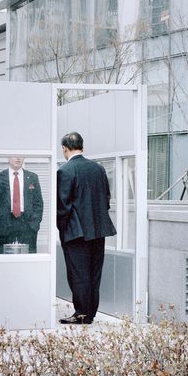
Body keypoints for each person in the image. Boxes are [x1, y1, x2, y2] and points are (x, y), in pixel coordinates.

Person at [56, 132, 116, 325]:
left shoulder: (65, 170)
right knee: (93, 273)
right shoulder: (98, 169)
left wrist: (63, 229)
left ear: (65, 148)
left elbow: (63, 206)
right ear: (82, 146)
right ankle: (90, 313)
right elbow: (106, 199)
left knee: (78, 273)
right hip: (99, 230)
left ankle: (81, 314)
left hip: (75, 233)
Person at [0, 156, 43, 253]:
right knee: (2, 262)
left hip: (27, 227)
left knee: (27, 261)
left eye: (21, 156)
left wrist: (34, 225)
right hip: (5, 226)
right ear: (8, 158)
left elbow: (38, 204)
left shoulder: (32, 177)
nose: (18, 158)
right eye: (14, 155)